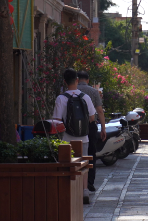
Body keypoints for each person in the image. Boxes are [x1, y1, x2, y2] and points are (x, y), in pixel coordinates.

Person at [53, 68, 97, 203]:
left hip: (67, 138)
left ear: (65, 82)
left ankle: (70, 191)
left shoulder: (61, 99)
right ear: (77, 80)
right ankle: (84, 190)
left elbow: (57, 121)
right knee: (84, 164)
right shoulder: (85, 97)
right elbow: (92, 118)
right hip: (83, 138)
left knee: (67, 164)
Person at [76, 70, 107, 193]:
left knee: (74, 154)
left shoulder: (68, 92)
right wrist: (103, 128)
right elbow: (99, 111)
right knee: (90, 155)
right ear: (88, 80)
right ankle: (89, 183)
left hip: (73, 128)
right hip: (89, 126)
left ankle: (76, 183)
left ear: (77, 79)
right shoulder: (94, 92)